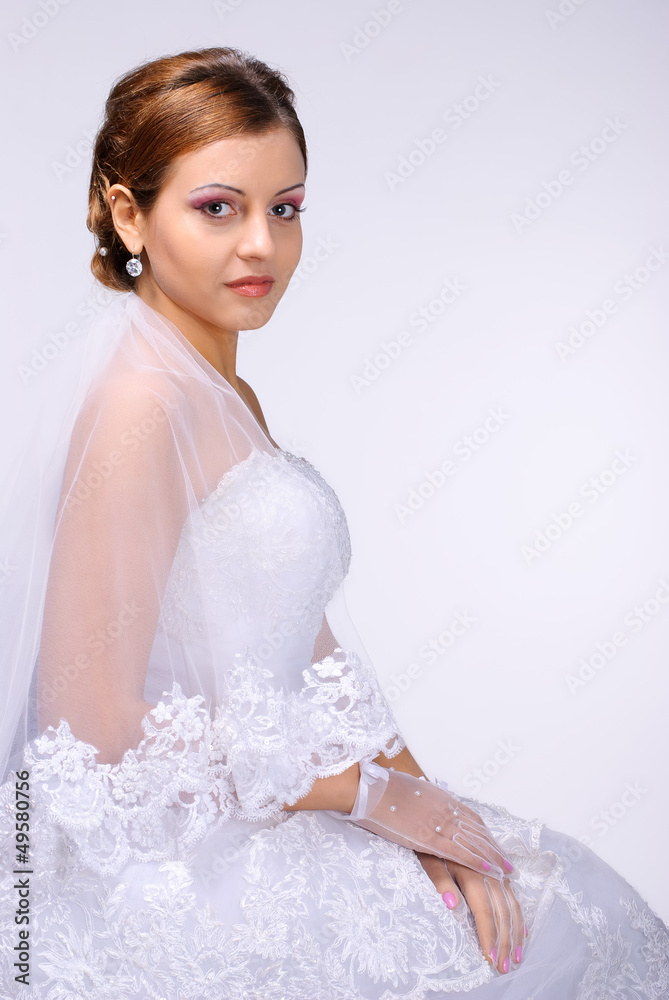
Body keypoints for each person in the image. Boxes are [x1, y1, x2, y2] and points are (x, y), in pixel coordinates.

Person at [0, 46, 667, 999]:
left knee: (554, 895)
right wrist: (366, 794)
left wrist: (432, 813)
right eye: (218, 208)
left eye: (285, 209)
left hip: (271, 800)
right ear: (127, 213)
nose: (262, 246)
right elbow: (91, 727)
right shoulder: (140, 403)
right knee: (567, 929)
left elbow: (304, 654)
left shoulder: (221, 393)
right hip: (180, 855)